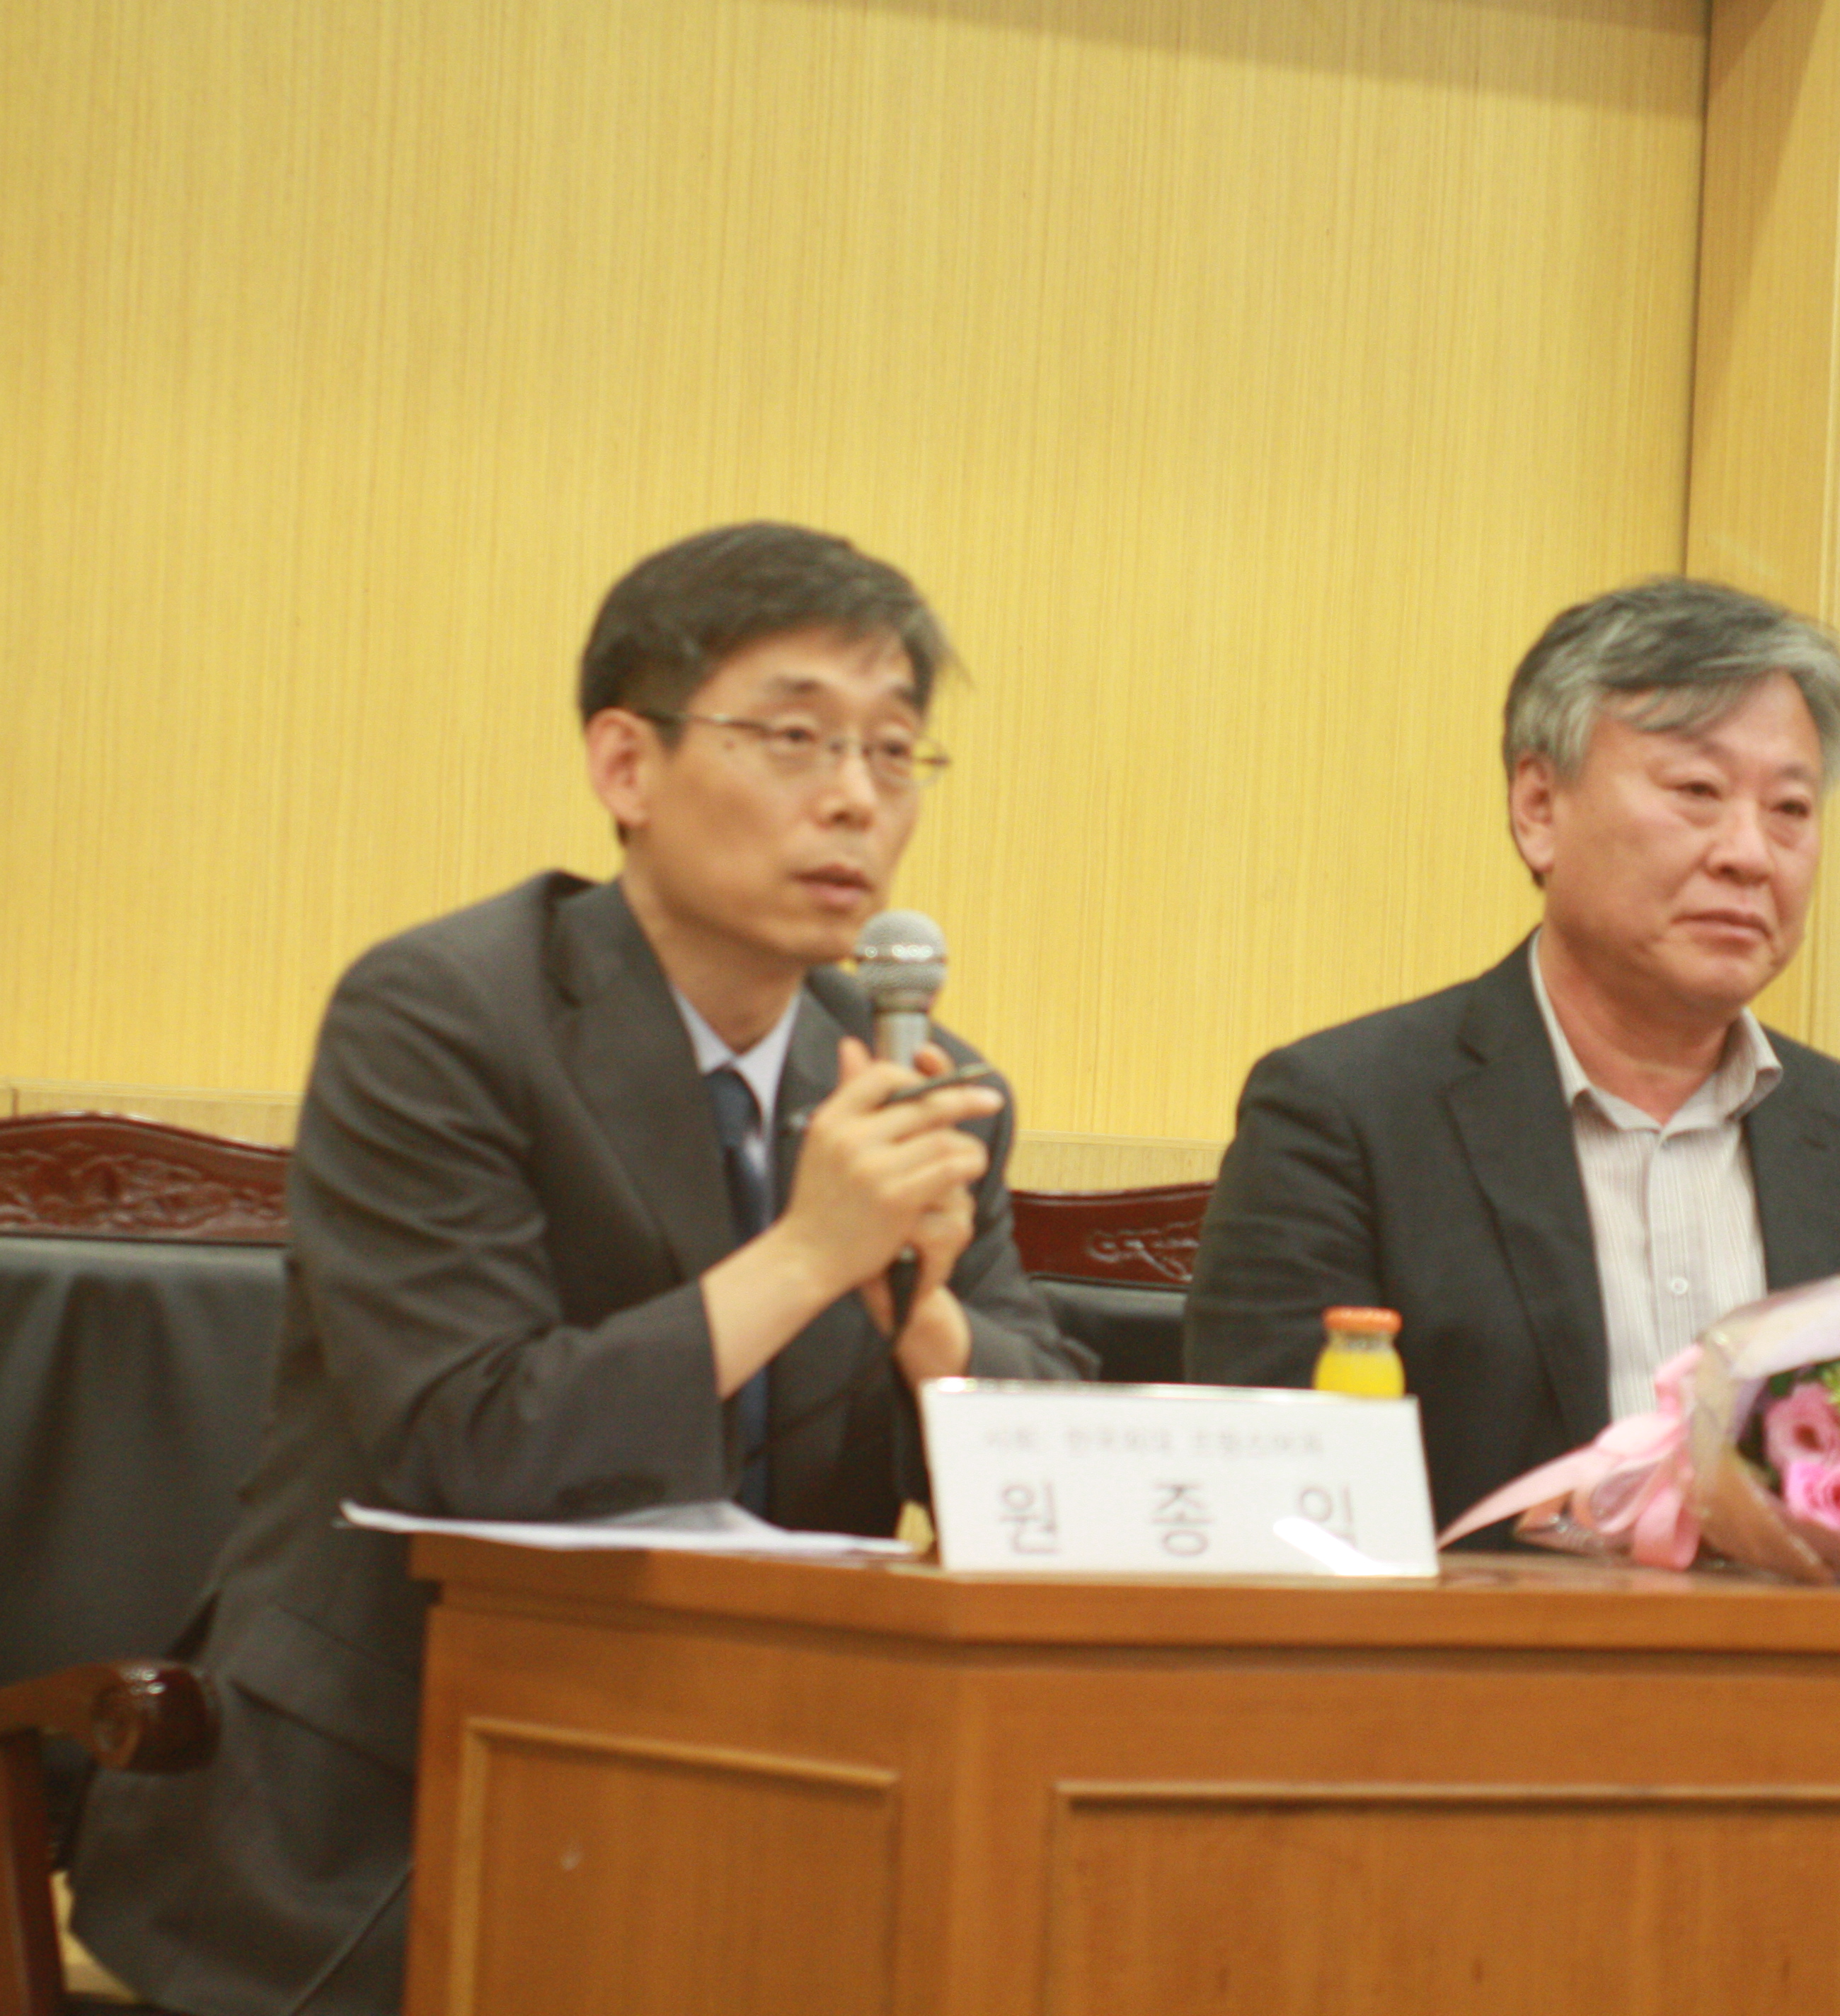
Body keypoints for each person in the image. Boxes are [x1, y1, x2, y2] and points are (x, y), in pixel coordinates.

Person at [69, 522, 1091, 2015]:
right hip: (394, 1809)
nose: (855, 797)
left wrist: (923, 1321)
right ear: (626, 765)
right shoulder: (443, 1016)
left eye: (893, 750)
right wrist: (808, 1254)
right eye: (795, 737)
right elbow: (468, 1440)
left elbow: (1055, 1463)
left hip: (772, 1789)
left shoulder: (913, 1080)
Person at [1183, 578, 1840, 1533]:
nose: (1750, 854)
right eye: (1698, 792)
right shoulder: (1344, 1117)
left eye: (1791, 809)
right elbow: (1270, 1511)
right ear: (1539, 807)